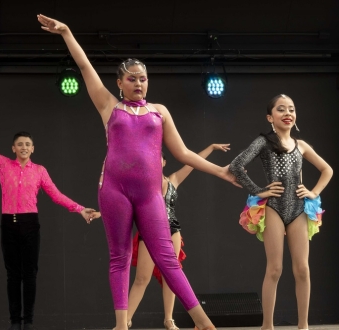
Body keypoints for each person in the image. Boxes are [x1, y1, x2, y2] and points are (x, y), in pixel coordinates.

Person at [37, 14, 240, 330]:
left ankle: (204, 324)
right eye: (131, 79)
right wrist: (66, 33)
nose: (138, 83)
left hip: (150, 194)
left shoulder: (159, 112)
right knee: (119, 258)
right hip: (114, 191)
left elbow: (183, 153)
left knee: (168, 260)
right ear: (119, 83)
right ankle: (121, 325)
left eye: (143, 78)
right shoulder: (109, 106)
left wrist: (220, 171)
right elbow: (86, 68)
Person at [0, 116, 98, 330]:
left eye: (27, 144)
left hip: (30, 225)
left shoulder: (40, 171)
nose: (24, 147)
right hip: (9, 225)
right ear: (13, 148)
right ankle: (15, 322)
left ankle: (28, 322)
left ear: (32, 149)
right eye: (20, 144)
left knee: (30, 275)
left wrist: (79, 209)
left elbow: (56, 195)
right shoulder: (2, 164)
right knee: (13, 275)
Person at [229, 94, 333, 330]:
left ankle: (303, 326)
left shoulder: (302, 145)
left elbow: (327, 170)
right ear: (270, 117)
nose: (287, 113)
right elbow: (236, 165)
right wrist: (259, 190)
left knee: (303, 269)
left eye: (291, 109)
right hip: (274, 207)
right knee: (275, 269)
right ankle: (267, 326)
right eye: (281, 109)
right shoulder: (263, 142)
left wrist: (314, 192)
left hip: (298, 208)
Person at [127, 144, 230, 330]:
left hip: (172, 230)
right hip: (149, 232)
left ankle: (169, 320)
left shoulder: (173, 179)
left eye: (157, 157)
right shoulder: (141, 184)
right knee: (142, 278)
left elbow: (192, 163)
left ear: (164, 161)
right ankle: (125, 321)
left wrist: (211, 148)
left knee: (171, 277)